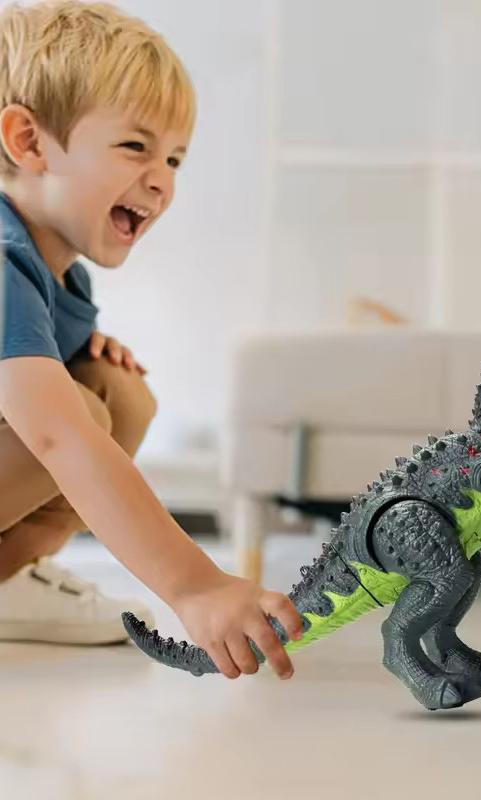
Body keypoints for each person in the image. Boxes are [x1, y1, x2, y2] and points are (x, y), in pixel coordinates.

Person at [0, 0, 302, 680]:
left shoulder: (57, 276)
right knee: (79, 418)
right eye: (135, 147)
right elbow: (55, 437)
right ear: (29, 142)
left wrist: (82, 344)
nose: (162, 179)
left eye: (174, 158)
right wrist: (196, 585)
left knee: (119, 396)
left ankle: (8, 581)